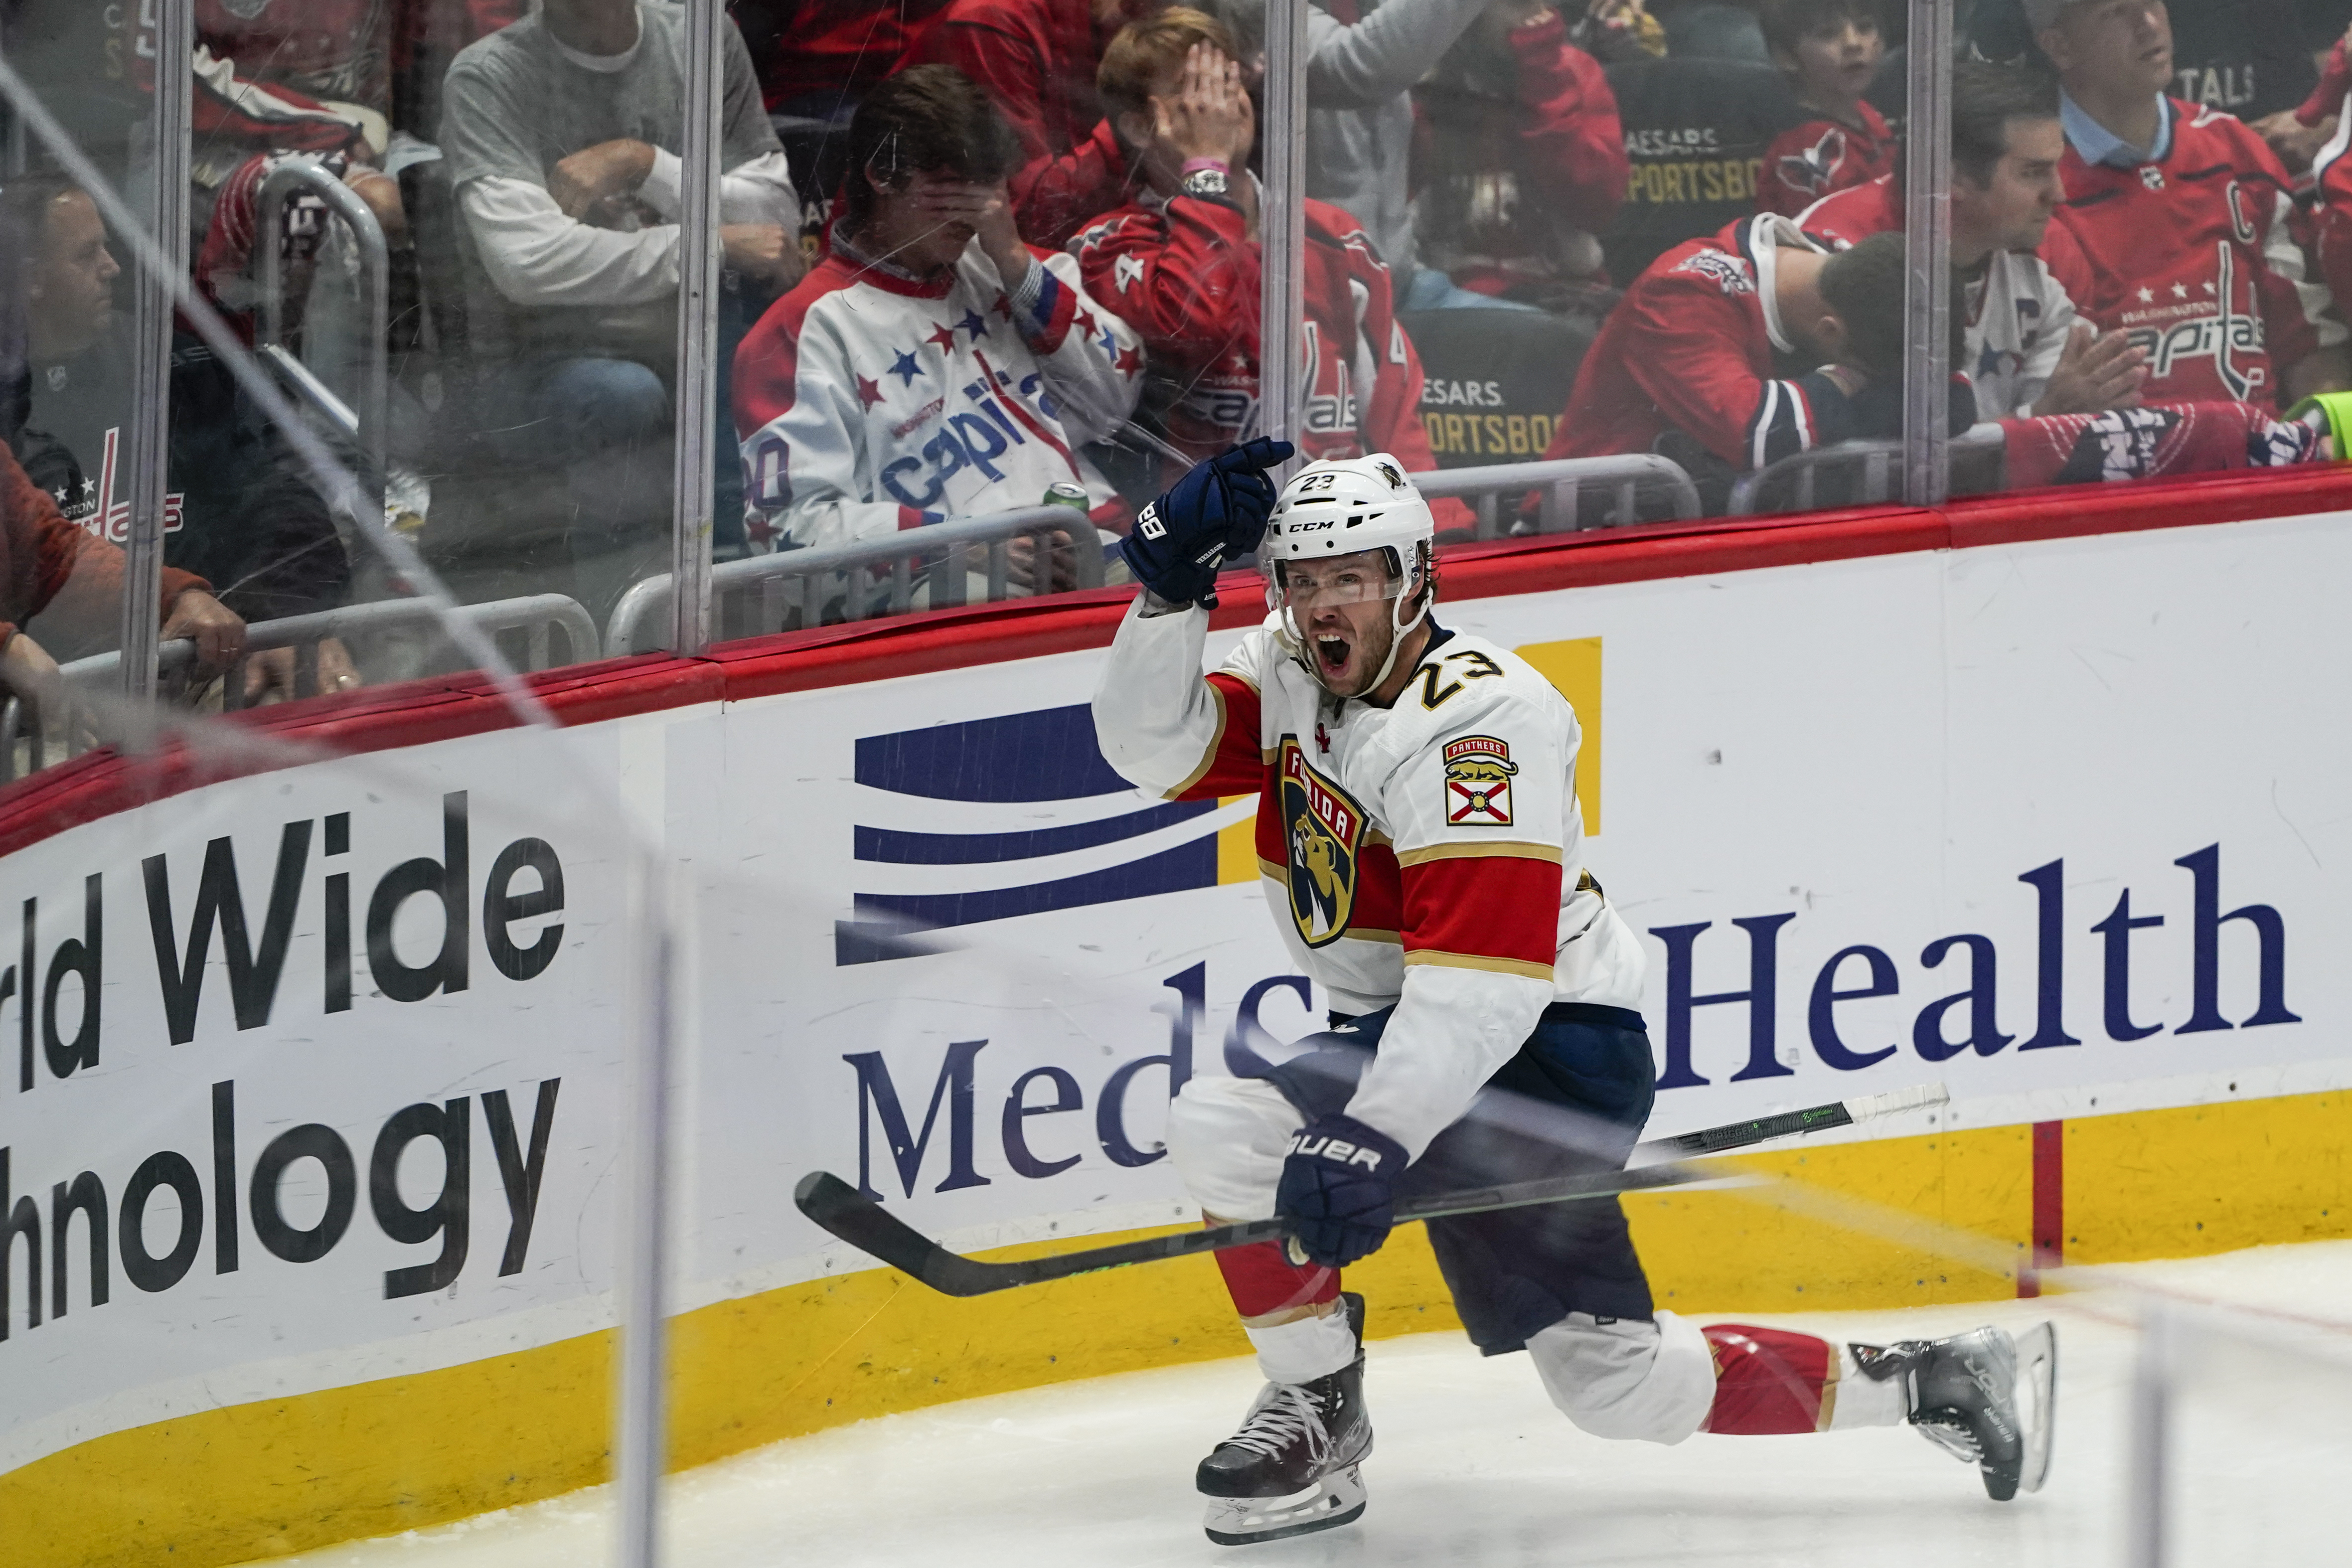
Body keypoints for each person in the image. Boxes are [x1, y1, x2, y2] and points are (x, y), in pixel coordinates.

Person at [1091, 439, 2055, 1545]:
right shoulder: (1290, 671)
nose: (1320, 607)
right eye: (1301, 581)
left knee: (1224, 1125)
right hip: (1418, 1039)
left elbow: (1481, 992)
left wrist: (1370, 1133)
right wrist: (1167, 593)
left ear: (1413, 580)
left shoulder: (1475, 727)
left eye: (1349, 577)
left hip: (1545, 1056)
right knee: (1613, 1384)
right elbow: (1147, 749)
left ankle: (1319, 1407)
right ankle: (1939, 1378)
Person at [440, 0, 806, 613]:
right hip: (548, 359)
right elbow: (529, 264)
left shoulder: (702, 36)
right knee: (620, 392)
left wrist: (645, 164)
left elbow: (773, 219)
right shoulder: (488, 75)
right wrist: (708, 245)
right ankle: (628, 623)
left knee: (741, 349)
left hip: (691, 331)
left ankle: (746, 585)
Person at [732, 66, 1141, 583]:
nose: (979, 211)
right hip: (940, 583)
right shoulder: (799, 331)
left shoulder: (1011, 269)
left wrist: (1015, 264)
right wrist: (964, 546)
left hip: (1098, 545)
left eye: (990, 186)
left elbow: (1115, 402)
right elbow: (789, 532)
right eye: (952, 187)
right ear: (881, 174)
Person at [1070, 11, 1468, 514]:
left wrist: (1442, 526)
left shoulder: (1332, 235)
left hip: (1346, 536)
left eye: (1228, 81)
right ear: (1139, 127)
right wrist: (1206, 174)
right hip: (1209, 557)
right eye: (1196, 89)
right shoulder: (1109, 249)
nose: (1222, 105)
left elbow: (1394, 409)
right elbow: (1200, 323)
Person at [2, 173, 354, 697]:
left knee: (309, 687)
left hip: (192, 659)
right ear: (31, 278)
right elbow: (45, 565)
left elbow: (273, 501)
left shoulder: (168, 368)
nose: (112, 268)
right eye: (86, 254)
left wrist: (283, 618)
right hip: (57, 703)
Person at [2032, 0, 2349, 409]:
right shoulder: (2033, 179)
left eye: (2151, 3)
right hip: (2108, 465)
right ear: (2059, 47)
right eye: (2114, 12)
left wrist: (2326, 440)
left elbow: (2307, 343)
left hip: (2259, 464)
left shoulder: (2238, 151)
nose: (2147, 25)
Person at [1798, 62, 2149, 420]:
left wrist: (2050, 419)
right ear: (1949, 177)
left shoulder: (2051, 251)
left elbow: (2072, 421)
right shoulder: (1828, 253)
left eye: (2055, 168)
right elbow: (1854, 453)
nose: (2058, 194)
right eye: (2033, 173)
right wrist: (2040, 419)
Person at [1540, 219, 1969, 495]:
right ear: (1829, 333)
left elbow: (1955, 402)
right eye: (1860, 372)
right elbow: (1758, 433)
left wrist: (1842, 392)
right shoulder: (1682, 292)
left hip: (1710, 531)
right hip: (1589, 531)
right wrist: (1869, 391)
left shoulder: (1860, 273)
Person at [1411, 0, 1630, 307]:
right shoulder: (1419, 88)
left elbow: (1596, 207)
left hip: (1566, 293)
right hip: (1451, 301)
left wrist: (1546, 82)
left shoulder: (1577, 73)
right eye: (1520, 4)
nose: (1539, 15)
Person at [1754, 0, 1896, 219]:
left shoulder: (1868, 113)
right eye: (1828, 34)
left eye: (1865, 28)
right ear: (1786, 56)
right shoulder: (1802, 147)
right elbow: (1829, 243)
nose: (1853, 43)